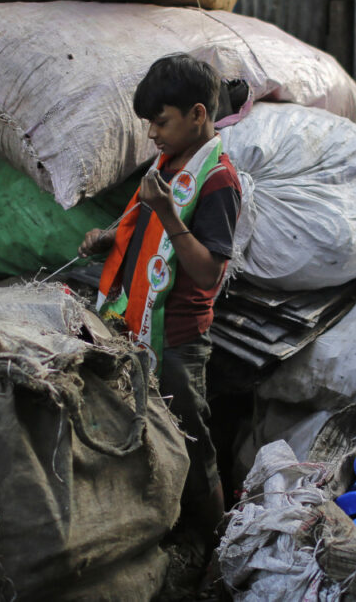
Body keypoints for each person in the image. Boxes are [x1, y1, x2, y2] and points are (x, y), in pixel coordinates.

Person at [78, 54, 241, 551]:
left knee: (191, 439)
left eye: (161, 121)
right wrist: (109, 238)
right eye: (149, 123)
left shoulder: (217, 181)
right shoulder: (169, 164)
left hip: (177, 339)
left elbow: (209, 271)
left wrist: (169, 213)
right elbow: (147, 234)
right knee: (146, 430)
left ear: (197, 113)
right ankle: (168, 525)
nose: (152, 133)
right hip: (135, 327)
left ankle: (220, 544)